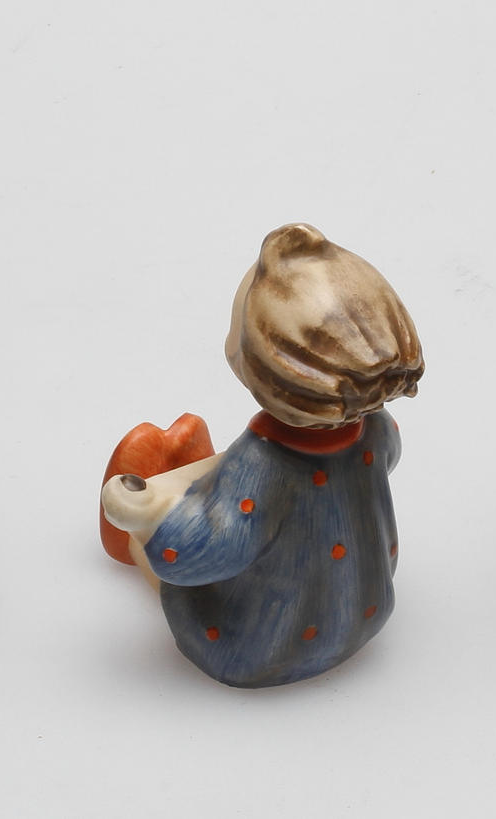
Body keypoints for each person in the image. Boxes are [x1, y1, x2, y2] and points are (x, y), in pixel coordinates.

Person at [102, 223, 423, 687]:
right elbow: (390, 455)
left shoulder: (262, 465)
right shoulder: (372, 430)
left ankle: (141, 519)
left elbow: (205, 553)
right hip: (364, 611)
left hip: (260, 648)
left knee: (160, 553)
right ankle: (192, 481)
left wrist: (142, 512)